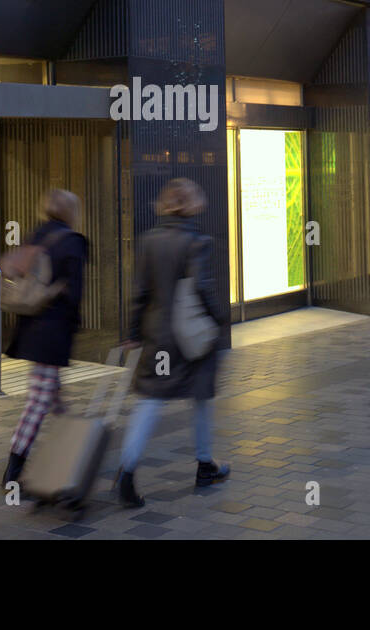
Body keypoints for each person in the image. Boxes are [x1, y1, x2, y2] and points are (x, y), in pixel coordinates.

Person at [115, 177, 230, 509]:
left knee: (150, 400)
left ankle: (127, 471)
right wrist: (219, 318)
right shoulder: (198, 241)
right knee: (201, 397)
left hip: (158, 337)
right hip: (192, 337)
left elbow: (139, 293)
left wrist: (133, 332)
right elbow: (202, 287)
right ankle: (205, 463)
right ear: (192, 204)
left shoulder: (148, 241)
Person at [1, 189, 87, 487]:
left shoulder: (36, 237)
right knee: (39, 401)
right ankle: (14, 467)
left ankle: (66, 455)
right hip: (52, 331)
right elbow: (74, 294)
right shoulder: (71, 242)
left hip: (31, 327)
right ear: (71, 211)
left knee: (54, 396)